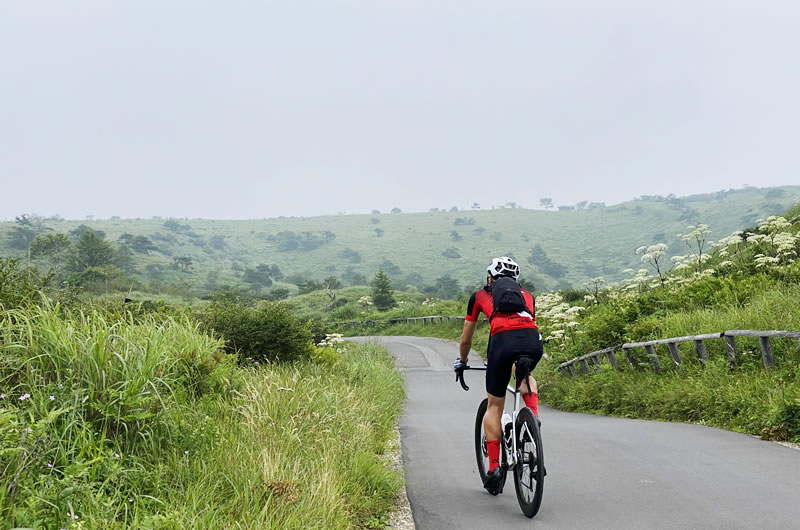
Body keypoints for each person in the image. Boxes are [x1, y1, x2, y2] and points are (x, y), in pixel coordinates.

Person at [453, 256, 543, 495]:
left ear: (490, 277)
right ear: (515, 280)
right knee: (524, 374)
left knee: (494, 406)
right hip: (532, 341)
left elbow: (466, 338)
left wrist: (462, 361)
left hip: (502, 342)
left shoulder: (480, 296)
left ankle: (494, 469)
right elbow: (525, 325)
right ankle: (533, 417)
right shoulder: (527, 296)